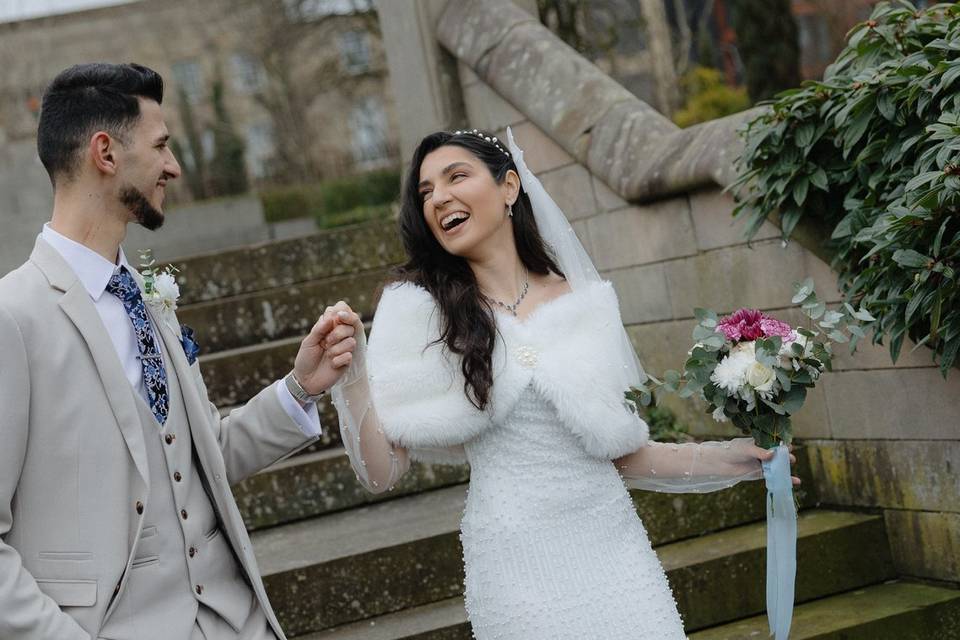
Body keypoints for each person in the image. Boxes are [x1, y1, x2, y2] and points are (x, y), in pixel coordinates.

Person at [329, 128, 798, 639]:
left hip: (615, 552)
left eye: (455, 177)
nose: (439, 198)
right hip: (516, 568)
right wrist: (351, 380)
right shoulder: (418, 311)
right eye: (425, 193)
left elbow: (621, 453)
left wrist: (732, 458)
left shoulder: (586, 302)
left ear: (509, 187)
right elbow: (381, 472)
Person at [0, 63, 360, 640]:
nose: (174, 167)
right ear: (105, 153)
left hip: (238, 620)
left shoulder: (147, 297)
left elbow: (191, 459)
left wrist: (299, 389)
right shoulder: (12, 317)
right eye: (161, 146)